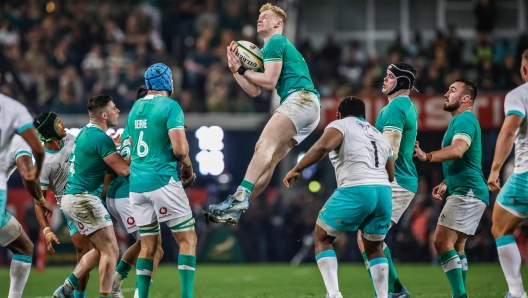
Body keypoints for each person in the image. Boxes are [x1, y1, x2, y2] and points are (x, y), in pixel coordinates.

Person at [203, 3, 320, 224]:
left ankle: (238, 198)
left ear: (278, 24)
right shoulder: (268, 50)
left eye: (265, 16)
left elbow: (269, 81)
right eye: (259, 16)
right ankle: (235, 210)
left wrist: (242, 69)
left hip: (300, 98)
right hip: (310, 109)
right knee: (269, 161)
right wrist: (234, 68)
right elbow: (254, 90)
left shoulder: (275, 41)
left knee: (262, 145)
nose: (260, 19)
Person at [284, 97, 395, 298]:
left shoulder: (340, 125)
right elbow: (391, 174)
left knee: (322, 237)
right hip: (384, 192)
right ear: (364, 115)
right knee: (374, 248)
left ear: (339, 114)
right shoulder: (378, 134)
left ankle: (334, 294)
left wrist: (298, 168)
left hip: (356, 188)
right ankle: (383, 296)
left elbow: (322, 147)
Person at [126, 63, 197, 298]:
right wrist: (187, 166)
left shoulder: (135, 108)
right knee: (187, 238)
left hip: (136, 185)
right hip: (162, 180)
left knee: (148, 246)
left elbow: (129, 148)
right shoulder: (171, 106)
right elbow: (179, 149)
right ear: (168, 83)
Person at [414, 79, 488, 298]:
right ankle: (461, 294)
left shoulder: (464, 120)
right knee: (457, 247)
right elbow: (468, 160)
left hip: (468, 192)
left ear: (466, 99)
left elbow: (457, 151)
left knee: (440, 241)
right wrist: (447, 182)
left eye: (452, 90)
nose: (446, 94)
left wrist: (427, 156)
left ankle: (459, 296)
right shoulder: (462, 121)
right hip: (467, 190)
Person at [53, 95, 130, 298]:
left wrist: (114, 146)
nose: (118, 111)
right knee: (111, 250)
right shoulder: (100, 138)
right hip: (84, 199)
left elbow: (100, 158)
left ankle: (67, 289)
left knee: (99, 249)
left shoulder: (86, 133)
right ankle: (107, 295)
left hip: (73, 197)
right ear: (104, 114)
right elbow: (123, 170)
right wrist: (145, 152)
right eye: (114, 108)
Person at [357, 62, 417, 298]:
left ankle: (392, 292)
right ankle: (395, 290)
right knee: (369, 238)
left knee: (368, 239)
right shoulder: (406, 106)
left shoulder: (394, 109)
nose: (384, 79)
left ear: (401, 82)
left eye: (390, 76)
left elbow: (389, 149)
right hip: (400, 179)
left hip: (395, 180)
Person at [105, 86, 164, 298]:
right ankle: (139, 294)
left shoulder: (137, 126)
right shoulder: (136, 129)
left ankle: (116, 283)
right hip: (125, 194)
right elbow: (127, 161)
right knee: (153, 247)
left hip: (123, 194)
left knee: (150, 245)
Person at [32, 111, 92, 298]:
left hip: (90, 197)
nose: (63, 123)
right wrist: (47, 231)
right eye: (58, 122)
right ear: (50, 131)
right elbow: (38, 200)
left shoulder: (70, 139)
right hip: (71, 207)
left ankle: (74, 293)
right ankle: (72, 290)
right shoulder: (43, 162)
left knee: (89, 252)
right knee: (88, 251)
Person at [487, 50, 528, 298]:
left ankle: (516, 292)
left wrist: (495, 169)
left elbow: (510, 129)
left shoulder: (519, 95)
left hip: (525, 176)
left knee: (500, 228)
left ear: (524, 70)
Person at [0, 93, 48, 298]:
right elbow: (28, 173)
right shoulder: (19, 138)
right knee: (25, 247)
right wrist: (39, 198)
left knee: (24, 245)